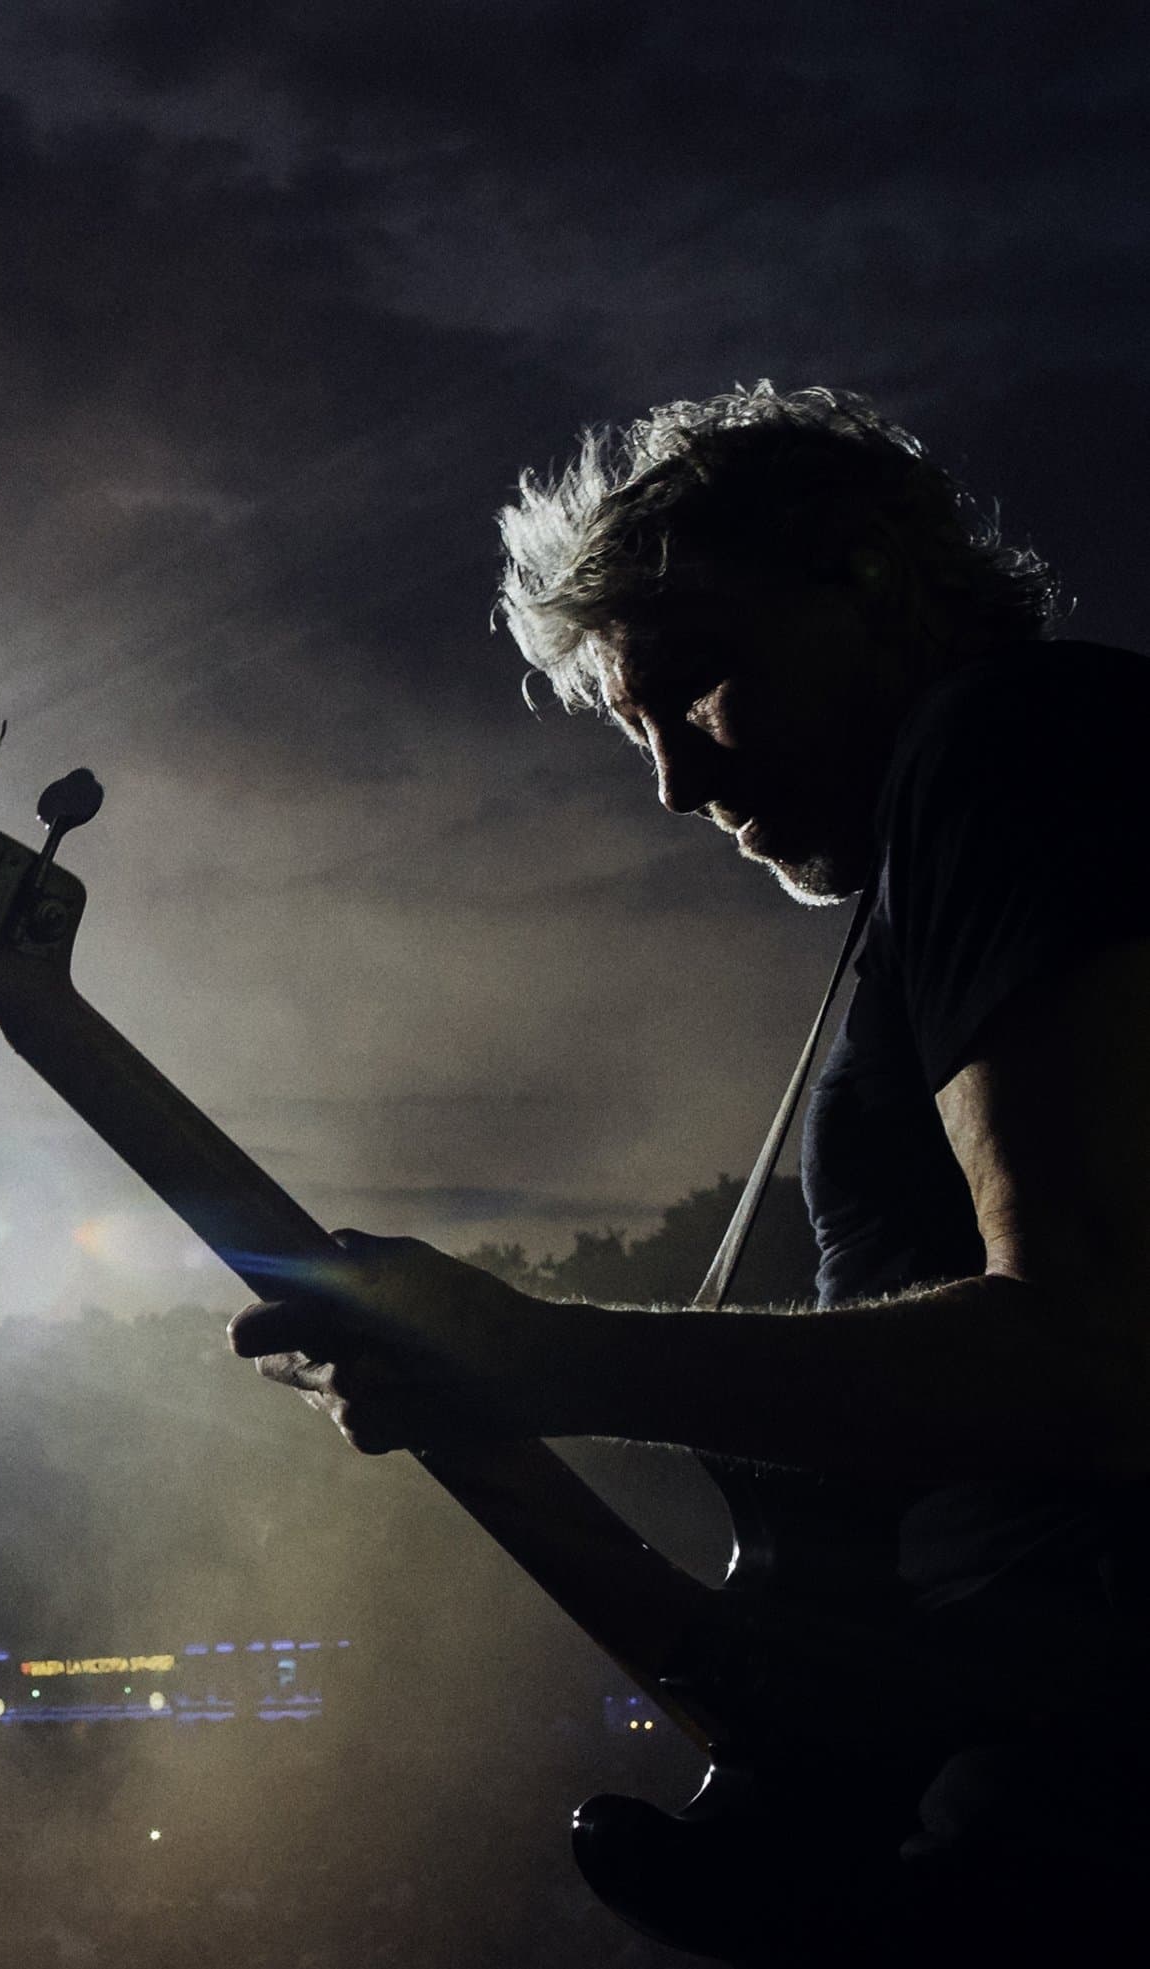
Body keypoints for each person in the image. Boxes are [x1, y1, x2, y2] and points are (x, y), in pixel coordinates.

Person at [225, 384, 1150, 1945]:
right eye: (633, 731)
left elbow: (1101, 1345)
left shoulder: (1010, 747)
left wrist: (538, 1356)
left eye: (699, 688)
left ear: (860, 577)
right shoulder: (955, 828)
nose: (673, 785)